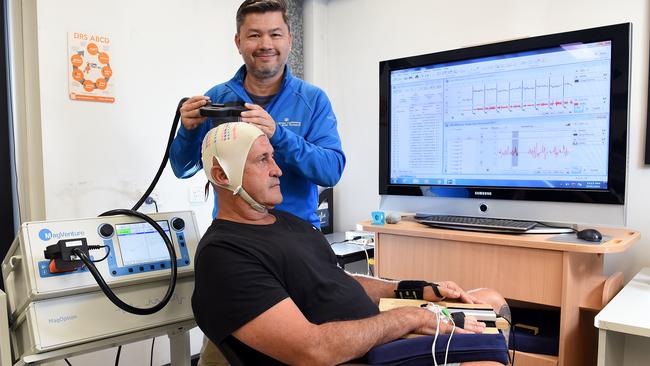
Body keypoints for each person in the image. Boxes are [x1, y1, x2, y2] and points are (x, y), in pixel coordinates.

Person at [192, 122, 510, 365]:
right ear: (222, 175)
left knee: (489, 300)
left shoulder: (290, 223)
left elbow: (337, 280)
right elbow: (311, 350)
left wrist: (418, 290)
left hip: (376, 335)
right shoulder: (224, 255)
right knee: (484, 354)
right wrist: (411, 317)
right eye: (263, 160)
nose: (277, 170)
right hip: (356, 356)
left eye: (273, 157)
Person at [170, 0, 344, 228]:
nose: (266, 44)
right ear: (238, 42)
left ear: (290, 40)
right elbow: (182, 169)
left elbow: (331, 172)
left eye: (275, 34)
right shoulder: (216, 98)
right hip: (235, 236)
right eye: (254, 35)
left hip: (297, 235)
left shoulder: (313, 100)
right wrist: (188, 131)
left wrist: (279, 135)